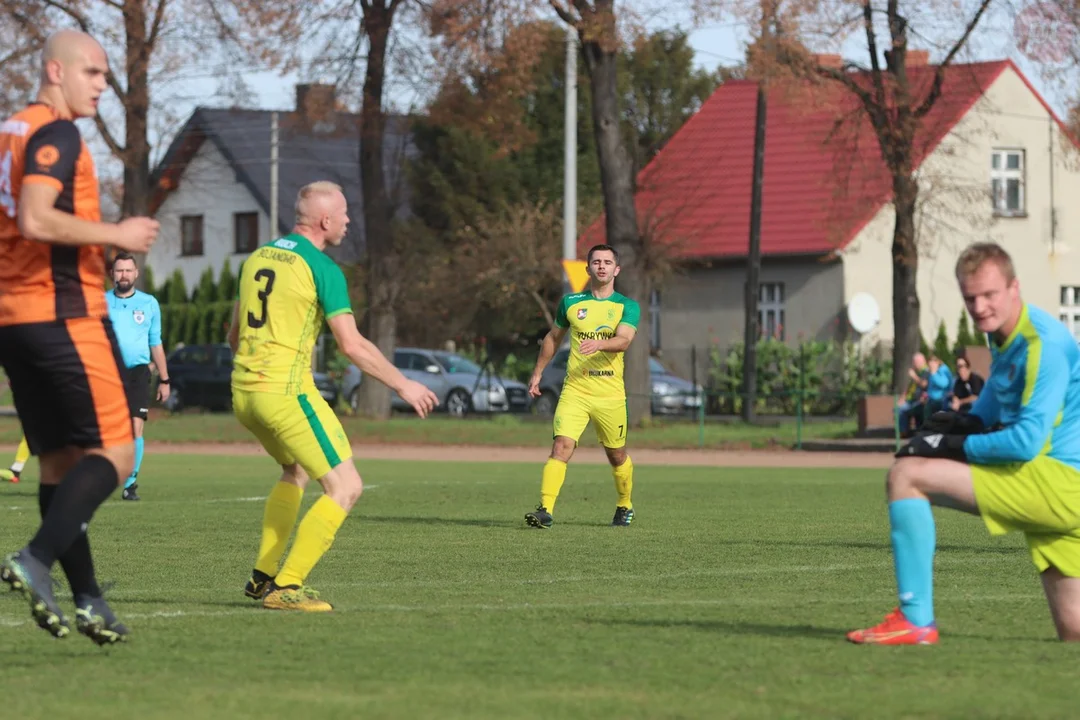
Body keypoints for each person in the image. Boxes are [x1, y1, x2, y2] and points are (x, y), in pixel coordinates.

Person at [0, 29, 159, 644]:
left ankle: (89, 599)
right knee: (117, 453)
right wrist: (115, 233)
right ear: (55, 71)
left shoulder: (9, 130)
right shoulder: (57, 132)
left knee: (59, 465)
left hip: (14, 321)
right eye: (92, 72)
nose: (102, 85)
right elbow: (36, 217)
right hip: (61, 315)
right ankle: (35, 559)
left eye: (105, 75)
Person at [848, 242, 1080, 644]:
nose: (980, 307)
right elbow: (996, 396)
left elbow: (1025, 443)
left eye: (989, 295)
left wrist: (952, 445)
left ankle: (915, 619)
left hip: (1058, 484)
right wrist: (965, 422)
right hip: (1062, 488)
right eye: (971, 298)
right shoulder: (1005, 334)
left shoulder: (1042, 345)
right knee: (1074, 632)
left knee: (906, 477)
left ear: (1014, 288)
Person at [229, 181, 438, 612]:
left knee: (296, 472)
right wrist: (404, 384)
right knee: (346, 487)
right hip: (286, 394)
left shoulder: (257, 257)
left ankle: (262, 576)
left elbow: (233, 335)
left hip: (245, 393)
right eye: (343, 214)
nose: (347, 221)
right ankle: (287, 587)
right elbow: (352, 345)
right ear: (325, 221)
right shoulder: (323, 269)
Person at [524, 244, 641, 529]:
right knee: (561, 446)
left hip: (610, 393)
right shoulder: (571, 302)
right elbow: (553, 337)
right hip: (575, 389)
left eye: (607, 262)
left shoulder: (627, 306)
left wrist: (600, 343)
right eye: (596, 262)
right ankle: (545, 510)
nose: (602, 266)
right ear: (587, 269)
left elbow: (624, 340)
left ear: (617, 269)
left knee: (617, 455)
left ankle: (624, 505)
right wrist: (538, 372)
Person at [106, 251, 170, 500]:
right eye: (119, 270)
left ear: (136, 273)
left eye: (127, 270)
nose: (123, 275)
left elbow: (156, 343)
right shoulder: (100, 302)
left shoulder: (148, 303)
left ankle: (130, 484)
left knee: (136, 427)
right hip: (108, 373)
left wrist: (164, 379)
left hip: (138, 373)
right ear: (112, 274)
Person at [896, 353, 929, 436]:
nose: (913, 364)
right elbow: (909, 388)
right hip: (911, 399)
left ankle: (908, 431)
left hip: (921, 400)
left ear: (921, 361)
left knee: (906, 409)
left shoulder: (926, 371)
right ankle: (903, 432)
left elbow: (924, 384)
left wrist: (914, 376)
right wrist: (902, 398)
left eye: (915, 362)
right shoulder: (917, 372)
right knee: (899, 408)